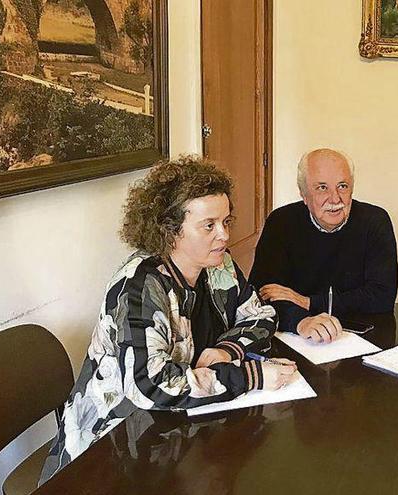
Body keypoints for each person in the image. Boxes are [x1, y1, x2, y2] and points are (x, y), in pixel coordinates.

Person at [40, 156, 297, 483]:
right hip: (111, 447)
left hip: (172, 431)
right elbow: (152, 385)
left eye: (226, 222)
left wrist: (227, 351)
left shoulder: (218, 264)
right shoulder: (141, 288)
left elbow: (260, 313)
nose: (224, 236)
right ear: (170, 230)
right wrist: (249, 375)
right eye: (209, 225)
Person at [249, 148, 398, 343]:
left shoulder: (375, 221)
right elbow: (263, 294)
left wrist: (307, 301)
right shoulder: (281, 222)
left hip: (363, 338)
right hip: (301, 338)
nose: (335, 199)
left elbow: (382, 297)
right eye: (322, 188)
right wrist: (301, 321)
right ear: (303, 194)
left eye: (342, 186)